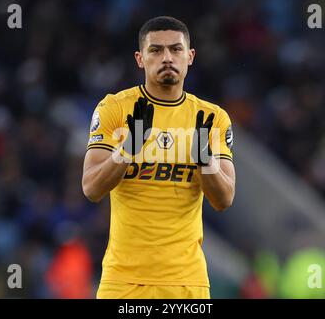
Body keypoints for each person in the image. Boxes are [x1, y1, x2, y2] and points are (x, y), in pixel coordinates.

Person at [82, 16, 236, 299]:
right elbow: (91, 188)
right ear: (140, 59)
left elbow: (224, 199)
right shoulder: (114, 109)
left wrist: (204, 160)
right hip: (123, 281)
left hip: (186, 283)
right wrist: (128, 148)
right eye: (156, 50)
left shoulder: (212, 118)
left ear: (190, 57)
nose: (167, 57)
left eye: (176, 49)